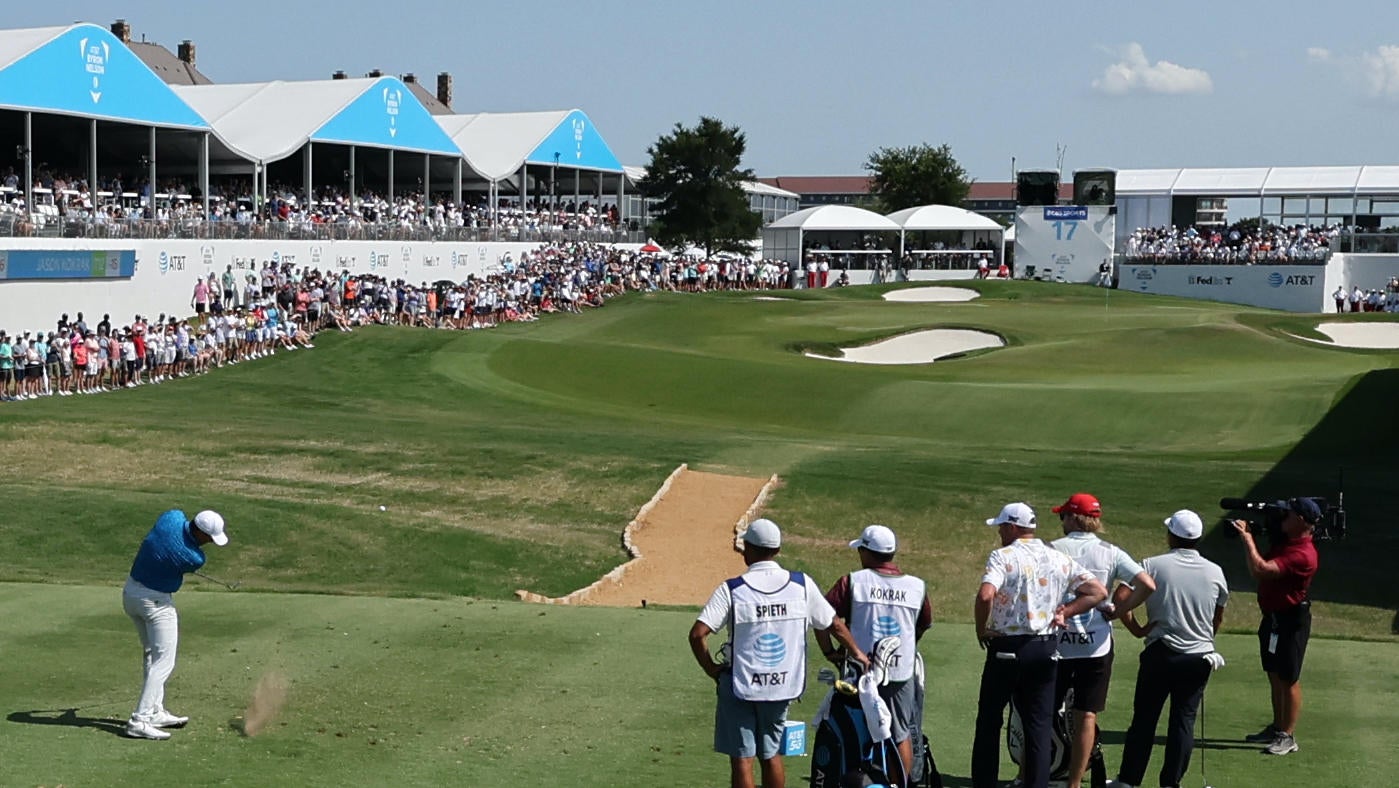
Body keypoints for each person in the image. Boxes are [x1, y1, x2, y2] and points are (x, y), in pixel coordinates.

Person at [689, 518, 868, 788]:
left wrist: (712, 670)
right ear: (777, 549)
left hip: (740, 684)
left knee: (742, 759)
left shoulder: (733, 589)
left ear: (748, 548)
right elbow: (834, 624)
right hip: (782, 686)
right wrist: (858, 653)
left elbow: (697, 634)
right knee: (771, 754)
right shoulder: (801, 584)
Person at [972, 502, 1107, 788]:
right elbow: (1097, 591)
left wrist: (982, 629)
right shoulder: (1056, 557)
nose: (999, 533)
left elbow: (986, 595)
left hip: (1007, 647)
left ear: (1011, 527)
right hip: (1045, 648)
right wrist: (1065, 612)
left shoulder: (1002, 556)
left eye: (1001, 527)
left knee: (989, 721)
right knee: (1038, 725)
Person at [1114, 510, 1229, 788]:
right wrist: (1203, 639)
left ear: (1171, 536)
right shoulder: (1215, 571)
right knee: (1183, 721)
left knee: (1144, 720)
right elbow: (1217, 616)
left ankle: (1129, 781)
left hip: (1160, 653)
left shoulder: (1152, 565)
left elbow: (1120, 599)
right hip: (1199, 657)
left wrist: (1137, 628)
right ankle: (1170, 783)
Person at [1047, 493, 1155, 788]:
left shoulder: (1052, 548)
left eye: (1063, 516)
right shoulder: (1110, 551)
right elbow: (1147, 584)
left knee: (1043, 713)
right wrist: (1119, 611)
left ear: (1072, 518)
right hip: (1096, 645)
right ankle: (1075, 783)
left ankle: (1030, 775)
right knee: (1086, 716)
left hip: (1056, 642)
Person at [816, 524, 933, 776]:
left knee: (855, 727)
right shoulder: (916, 586)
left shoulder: (853, 581)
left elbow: (822, 618)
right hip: (900, 671)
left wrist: (830, 652)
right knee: (899, 733)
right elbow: (922, 626)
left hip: (860, 671)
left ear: (867, 552)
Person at [122, 508, 230, 740]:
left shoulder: (171, 517)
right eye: (210, 538)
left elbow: (171, 526)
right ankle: (139, 720)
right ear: (201, 534)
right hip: (156, 603)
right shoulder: (194, 558)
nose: (210, 543)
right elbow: (187, 563)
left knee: (152, 653)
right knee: (164, 662)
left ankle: (154, 711)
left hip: (130, 593)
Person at [1232, 497, 1321, 756]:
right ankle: (1277, 726)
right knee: (1274, 673)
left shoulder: (1303, 555)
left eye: (1289, 515)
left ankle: (1288, 736)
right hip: (1272, 618)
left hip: (1291, 621)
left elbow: (1261, 570)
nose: (1284, 518)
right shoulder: (1287, 542)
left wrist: (1247, 538)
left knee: (1288, 678)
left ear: (1301, 521)